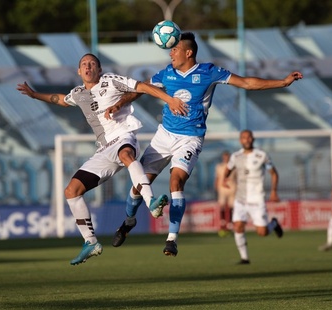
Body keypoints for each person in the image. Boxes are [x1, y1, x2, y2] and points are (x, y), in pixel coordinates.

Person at [111, 32, 302, 257]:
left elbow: (247, 83)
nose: (170, 52)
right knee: (139, 184)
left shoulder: (209, 72)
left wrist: (283, 82)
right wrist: (119, 104)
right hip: (164, 136)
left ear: (188, 52)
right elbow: (141, 89)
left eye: (175, 49)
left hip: (190, 138)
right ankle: (129, 221)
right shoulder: (167, 73)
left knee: (176, 182)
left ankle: (171, 239)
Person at [17, 53, 188, 265]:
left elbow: (142, 87)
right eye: (84, 64)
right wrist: (34, 95)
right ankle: (90, 242)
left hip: (123, 136)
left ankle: (150, 201)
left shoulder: (111, 80)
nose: (88, 67)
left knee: (126, 155)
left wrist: (169, 99)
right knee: (71, 191)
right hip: (103, 149)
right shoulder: (78, 93)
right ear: (79, 71)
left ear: (99, 69)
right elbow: (60, 100)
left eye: (92, 64)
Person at [223, 130, 283, 264]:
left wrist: (274, 191)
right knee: (238, 226)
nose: (247, 139)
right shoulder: (236, 156)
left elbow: (274, 174)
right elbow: (228, 168)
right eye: (244, 137)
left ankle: (273, 223)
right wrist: (224, 179)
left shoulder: (262, 155)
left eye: (249, 137)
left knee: (262, 232)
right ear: (240, 140)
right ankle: (244, 258)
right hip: (240, 198)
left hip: (257, 199)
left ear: (253, 139)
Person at [214, 151, 236, 237]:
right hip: (222, 188)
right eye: (224, 157)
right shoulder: (219, 166)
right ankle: (222, 223)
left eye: (227, 157)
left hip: (232, 188)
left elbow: (237, 178)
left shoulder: (234, 167)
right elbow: (217, 177)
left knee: (231, 206)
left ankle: (230, 224)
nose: (226, 158)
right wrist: (216, 187)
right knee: (222, 205)